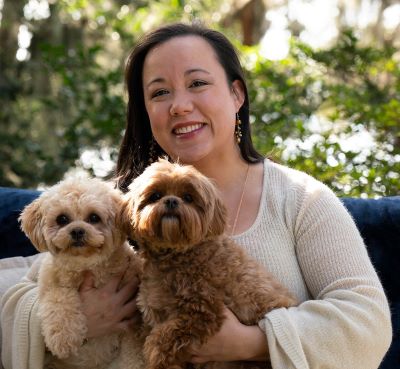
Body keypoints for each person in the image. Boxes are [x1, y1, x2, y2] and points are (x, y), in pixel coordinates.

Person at [1, 22, 392, 369]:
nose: (180, 105)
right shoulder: (119, 210)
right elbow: (25, 275)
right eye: (160, 93)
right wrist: (72, 316)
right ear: (146, 111)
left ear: (237, 94)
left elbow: (367, 320)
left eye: (198, 83)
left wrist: (253, 343)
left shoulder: (300, 199)